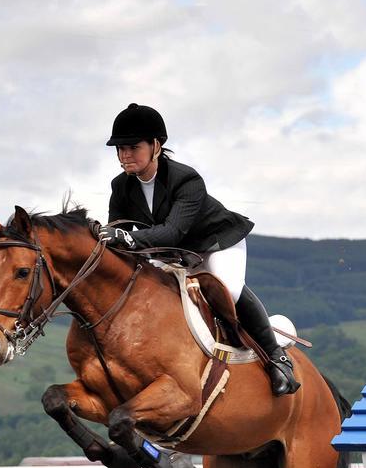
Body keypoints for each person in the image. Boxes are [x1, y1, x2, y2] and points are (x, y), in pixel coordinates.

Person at [98, 103, 299, 395]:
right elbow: (118, 230)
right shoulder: (121, 186)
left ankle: (277, 358)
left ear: (156, 145)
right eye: (120, 148)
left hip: (215, 243)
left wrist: (127, 239)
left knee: (225, 288)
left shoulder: (185, 179)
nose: (125, 154)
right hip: (174, 253)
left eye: (133, 147)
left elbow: (171, 230)